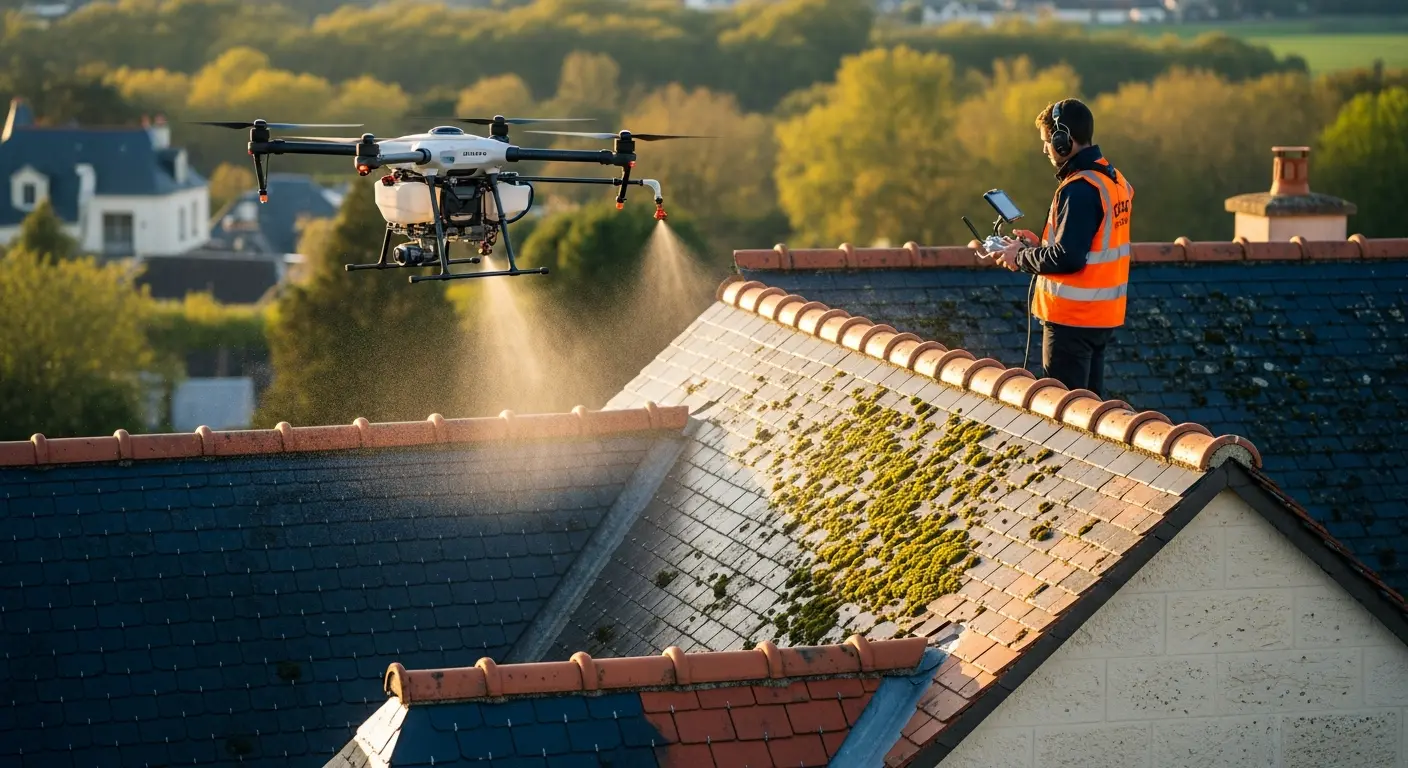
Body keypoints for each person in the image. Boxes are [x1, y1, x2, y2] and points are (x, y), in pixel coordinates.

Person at [986, 98, 1133, 399]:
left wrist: (1020, 257)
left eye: (1047, 142)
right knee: (1091, 412)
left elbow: (1068, 258)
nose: (1045, 149)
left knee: (1065, 410)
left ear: (1063, 141)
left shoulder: (1078, 188)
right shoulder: (1113, 180)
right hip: (1100, 316)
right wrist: (1039, 246)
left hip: (1071, 320)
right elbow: (1088, 246)